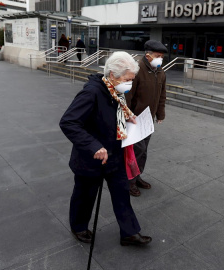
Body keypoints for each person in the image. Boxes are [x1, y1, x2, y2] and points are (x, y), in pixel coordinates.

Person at [59, 51, 152, 246]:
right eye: (128, 80)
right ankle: (79, 227)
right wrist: (93, 145)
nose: (130, 84)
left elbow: (114, 111)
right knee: (85, 196)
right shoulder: (91, 92)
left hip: (115, 154)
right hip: (92, 158)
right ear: (112, 75)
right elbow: (68, 122)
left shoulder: (115, 91)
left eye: (132, 80)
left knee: (121, 193)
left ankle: (129, 232)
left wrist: (128, 116)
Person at [126, 40, 168, 197]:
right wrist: (128, 115)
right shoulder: (137, 70)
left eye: (162, 57)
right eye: (158, 56)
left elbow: (162, 95)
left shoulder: (160, 72)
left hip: (148, 119)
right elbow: (128, 95)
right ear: (148, 55)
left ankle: (137, 177)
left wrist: (160, 114)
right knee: (136, 151)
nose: (160, 59)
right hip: (135, 118)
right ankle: (128, 182)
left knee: (143, 152)